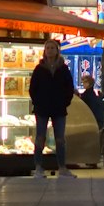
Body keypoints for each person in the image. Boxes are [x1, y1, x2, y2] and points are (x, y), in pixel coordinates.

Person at [30, 38, 76, 179]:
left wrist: (64, 102)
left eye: (52, 48)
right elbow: (33, 89)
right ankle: (38, 167)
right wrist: (38, 102)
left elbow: (69, 87)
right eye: (47, 48)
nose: (49, 50)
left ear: (57, 51)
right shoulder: (39, 69)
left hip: (58, 108)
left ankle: (62, 168)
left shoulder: (63, 68)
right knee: (40, 138)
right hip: (42, 108)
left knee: (60, 139)